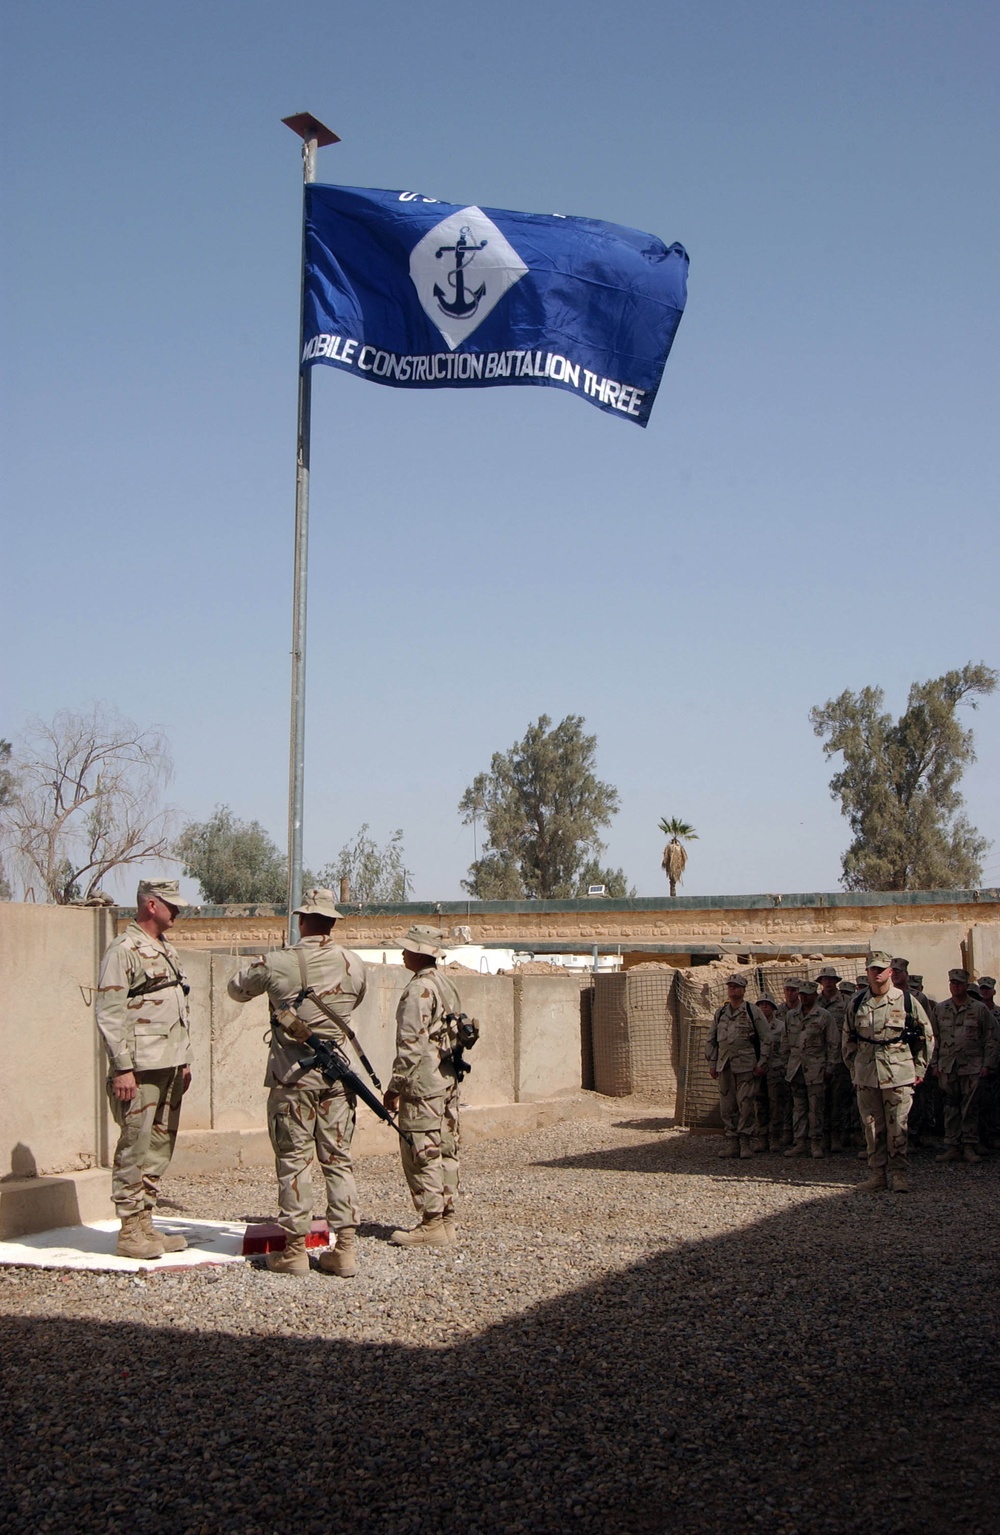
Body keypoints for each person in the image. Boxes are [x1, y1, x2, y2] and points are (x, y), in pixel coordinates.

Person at [227, 889, 368, 1277]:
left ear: (302, 919)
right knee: (338, 1161)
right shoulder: (354, 964)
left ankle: (293, 1251)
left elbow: (237, 990)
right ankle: (346, 1250)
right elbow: (352, 1003)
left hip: (292, 1080)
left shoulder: (277, 962)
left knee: (294, 1162)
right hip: (338, 1080)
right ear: (332, 922)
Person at [95, 878, 193, 1260]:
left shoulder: (165, 948)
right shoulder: (123, 949)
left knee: (159, 1144)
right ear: (151, 904)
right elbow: (109, 1012)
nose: (178, 910)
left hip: (168, 1063)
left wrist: (184, 1060)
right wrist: (122, 1068)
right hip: (139, 1066)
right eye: (172, 904)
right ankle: (129, 1229)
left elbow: (178, 1007)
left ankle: (145, 1221)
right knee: (134, 1144)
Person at [383, 926, 464, 1245]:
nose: (403, 952)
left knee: (422, 1149)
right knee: (446, 1147)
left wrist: (395, 1086)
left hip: (423, 1081)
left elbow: (410, 1045)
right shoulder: (446, 984)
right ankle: (445, 1219)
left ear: (422, 953)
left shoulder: (419, 990)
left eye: (408, 947)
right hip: (446, 1078)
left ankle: (431, 1223)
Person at [842, 950, 933, 1193]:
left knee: (898, 1127)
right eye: (873, 969)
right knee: (872, 1127)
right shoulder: (857, 1003)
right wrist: (855, 1070)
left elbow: (926, 1036)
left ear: (890, 972)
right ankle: (877, 1175)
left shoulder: (906, 1001)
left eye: (882, 969)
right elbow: (847, 1040)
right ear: (867, 972)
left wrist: (919, 1068)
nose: (877, 973)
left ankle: (899, 1174)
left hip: (899, 1074)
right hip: (867, 1075)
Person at [931, 969, 998, 1165]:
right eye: (952, 982)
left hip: (972, 1066)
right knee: (950, 1107)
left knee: (970, 1108)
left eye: (959, 983)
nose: (955, 986)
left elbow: (991, 1038)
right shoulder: (941, 1009)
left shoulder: (979, 1009)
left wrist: (988, 1065)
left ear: (966, 985)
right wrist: (934, 1064)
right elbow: (933, 1039)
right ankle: (952, 1145)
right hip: (948, 1066)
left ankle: (969, 1144)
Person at [705, 975, 768, 1159]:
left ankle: (745, 1142)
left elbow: (766, 1038)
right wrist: (712, 1063)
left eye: (736, 987)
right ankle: (732, 1142)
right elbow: (711, 1039)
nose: (733, 990)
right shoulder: (721, 1012)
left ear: (743, 990)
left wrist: (762, 1062)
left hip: (747, 1065)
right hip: (725, 1065)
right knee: (727, 1105)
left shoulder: (752, 1011)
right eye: (730, 986)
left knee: (746, 1103)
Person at [782, 979, 838, 1159]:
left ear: (815, 995)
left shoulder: (824, 1016)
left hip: (816, 1069)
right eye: (802, 994)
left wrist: (830, 1067)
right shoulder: (791, 1015)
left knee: (816, 1108)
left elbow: (833, 1043)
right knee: (798, 1107)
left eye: (808, 994)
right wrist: (785, 1064)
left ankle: (816, 1143)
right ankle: (800, 1142)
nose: (804, 997)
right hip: (796, 1068)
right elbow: (784, 1042)